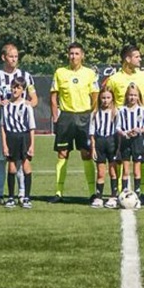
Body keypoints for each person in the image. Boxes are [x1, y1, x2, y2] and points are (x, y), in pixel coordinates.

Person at [0, 43, 39, 206]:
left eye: (16, 56)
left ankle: (22, 194)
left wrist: (30, 104)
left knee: (21, 162)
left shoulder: (26, 76)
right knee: (2, 160)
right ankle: (1, 194)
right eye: (11, 56)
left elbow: (34, 98)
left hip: (21, 129)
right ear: (3, 57)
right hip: (2, 127)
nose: (14, 59)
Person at [50, 42, 99, 203]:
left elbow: (95, 97)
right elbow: (54, 96)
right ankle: (58, 192)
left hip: (84, 116)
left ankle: (93, 192)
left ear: (82, 56)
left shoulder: (90, 73)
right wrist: (55, 116)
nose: (74, 56)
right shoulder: (60, 72)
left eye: (77, 53)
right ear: (68, 55)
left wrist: (92, 115)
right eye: (71, 53)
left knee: (86, 153)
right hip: (66, 117)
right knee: (63, 153)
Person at [0, 78, 35, 209]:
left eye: (18, 88)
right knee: (12, 167)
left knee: (26, 165)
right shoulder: (6, 106)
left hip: (24, 137)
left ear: (23, 90)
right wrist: (4, 144)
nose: (15, 90)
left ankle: (26, 197)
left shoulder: (27, 106)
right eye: (14, 87)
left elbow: (31, 127)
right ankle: (10, 197)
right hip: (11, 137)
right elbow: (3, 126)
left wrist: (32, 145)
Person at [90, 87, 119, 208]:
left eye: (108, 98)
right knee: (101, 173)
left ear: (112, 98)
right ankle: (99, 197)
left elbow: (118, 130)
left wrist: (118, 148)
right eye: (103, 98)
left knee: (113, 171)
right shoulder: (95, 113)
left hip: (112, 142)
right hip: (100, 142)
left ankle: (113, 196)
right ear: (99, 98)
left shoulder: (115, 112)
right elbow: (91, 132)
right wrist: (93, 147)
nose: (105, 100)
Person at [115, 83, 144, 201]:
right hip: (126, 142)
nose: (132, 97)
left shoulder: (141, 110)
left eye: (135, 95)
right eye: (130, 95)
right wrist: (125, 133)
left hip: (138, 141)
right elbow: (117, 127)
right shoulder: (121, 110)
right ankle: (124, 193)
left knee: (137, 169)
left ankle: (137, 193)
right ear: (126, 96)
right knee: (125, 169)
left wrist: (139, 130)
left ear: (138, 97)